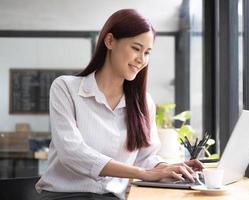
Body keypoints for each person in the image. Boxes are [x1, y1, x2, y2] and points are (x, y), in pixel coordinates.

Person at [35, 9, 203, 200]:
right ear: (110, 41)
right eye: (136, 48)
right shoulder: (66, 88)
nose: (142, 60)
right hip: (64, 196)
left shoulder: (144, 102)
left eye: (147, 52)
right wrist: (143, 173)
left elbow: (146, 158)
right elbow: (71, 153)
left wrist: (170, 170)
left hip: (112, 197)